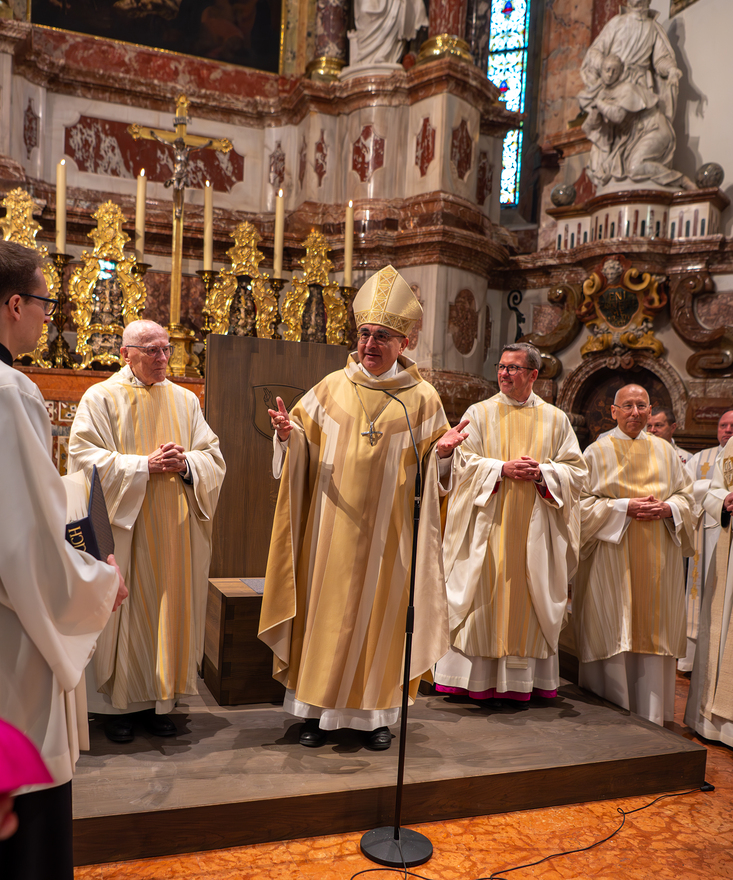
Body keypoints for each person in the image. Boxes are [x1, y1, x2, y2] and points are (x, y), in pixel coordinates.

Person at [259, 265, 468, 751]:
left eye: (382, 337)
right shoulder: (330, 388)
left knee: (382, 621)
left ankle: (376, 717)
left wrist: (441, 456)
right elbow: (302, 448)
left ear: (404, 343)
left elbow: (436, 473)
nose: (370, 344)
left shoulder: (422, 399)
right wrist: (288, 437)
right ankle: (315, 713)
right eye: (365, 334)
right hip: (329, 533)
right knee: (325, 617)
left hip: (390, 538)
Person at [0, 240, 126, 880]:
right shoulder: (9, 392)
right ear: (13, 304)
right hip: (10, 631)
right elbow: (27, 540)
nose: (49, 315)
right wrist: (100, 580)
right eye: (44, 302)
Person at [67, 319, 225, 743]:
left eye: (166, 349)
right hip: (122, 532)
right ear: (126, 354)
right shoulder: (101, 397)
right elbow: (82, 459)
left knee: (165, 613)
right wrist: (143, 466)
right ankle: (114, 709)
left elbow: (213, 457)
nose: (162, 358)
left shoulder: (186, 400)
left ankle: (159, 703)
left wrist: (187, 464)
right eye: (152, 350)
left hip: (172, 534)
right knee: (122, 612)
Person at [434, 343, 586, 707]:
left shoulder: (556, 419)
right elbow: (462, 464)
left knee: (528, 602)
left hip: (536, 531)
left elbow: (577, 472)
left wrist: (544, 473)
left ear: (533, 374)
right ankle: (471, 681)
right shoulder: (479, 413)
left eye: (513, 368)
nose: (504, 373)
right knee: (481, 600)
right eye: (501, 367)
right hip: (487, 528)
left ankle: (522, 684)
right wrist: (500, 468)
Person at [574, 383, 694, 725]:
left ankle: (652, 718)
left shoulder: (666, 452)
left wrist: (669, 508)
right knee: (612, 627)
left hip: (658, 562)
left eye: (642, 406)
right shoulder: (595, 453)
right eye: (627, 405)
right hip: (611, 561)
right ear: (613, 411)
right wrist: (623, 507)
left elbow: (688, 498)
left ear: (650, 409)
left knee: (653, 632)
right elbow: (578, 507)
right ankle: (608, 716)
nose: (635, 412)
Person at [578, 0, 689, 189]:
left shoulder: (653, 28)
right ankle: (613, 175)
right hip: (615, 82)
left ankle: (635, 167)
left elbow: (661, 59)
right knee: (611, 136)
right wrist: (607, 66)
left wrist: (671, 70)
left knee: (637, 128)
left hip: (639, 85)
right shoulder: (617, 23)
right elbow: (595, 51)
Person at [684, 425, 733, 758]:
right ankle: (713, 724)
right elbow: (710, 489)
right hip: (732, 544)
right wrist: (725, 499)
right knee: (720, 635)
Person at [680, 410, 733, 672]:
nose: (728, 430)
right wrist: (723, 498)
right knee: (706, 594)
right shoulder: (702, 457)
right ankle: (696, 662)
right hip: (707, 529)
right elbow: (686, 489)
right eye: (723, 425)